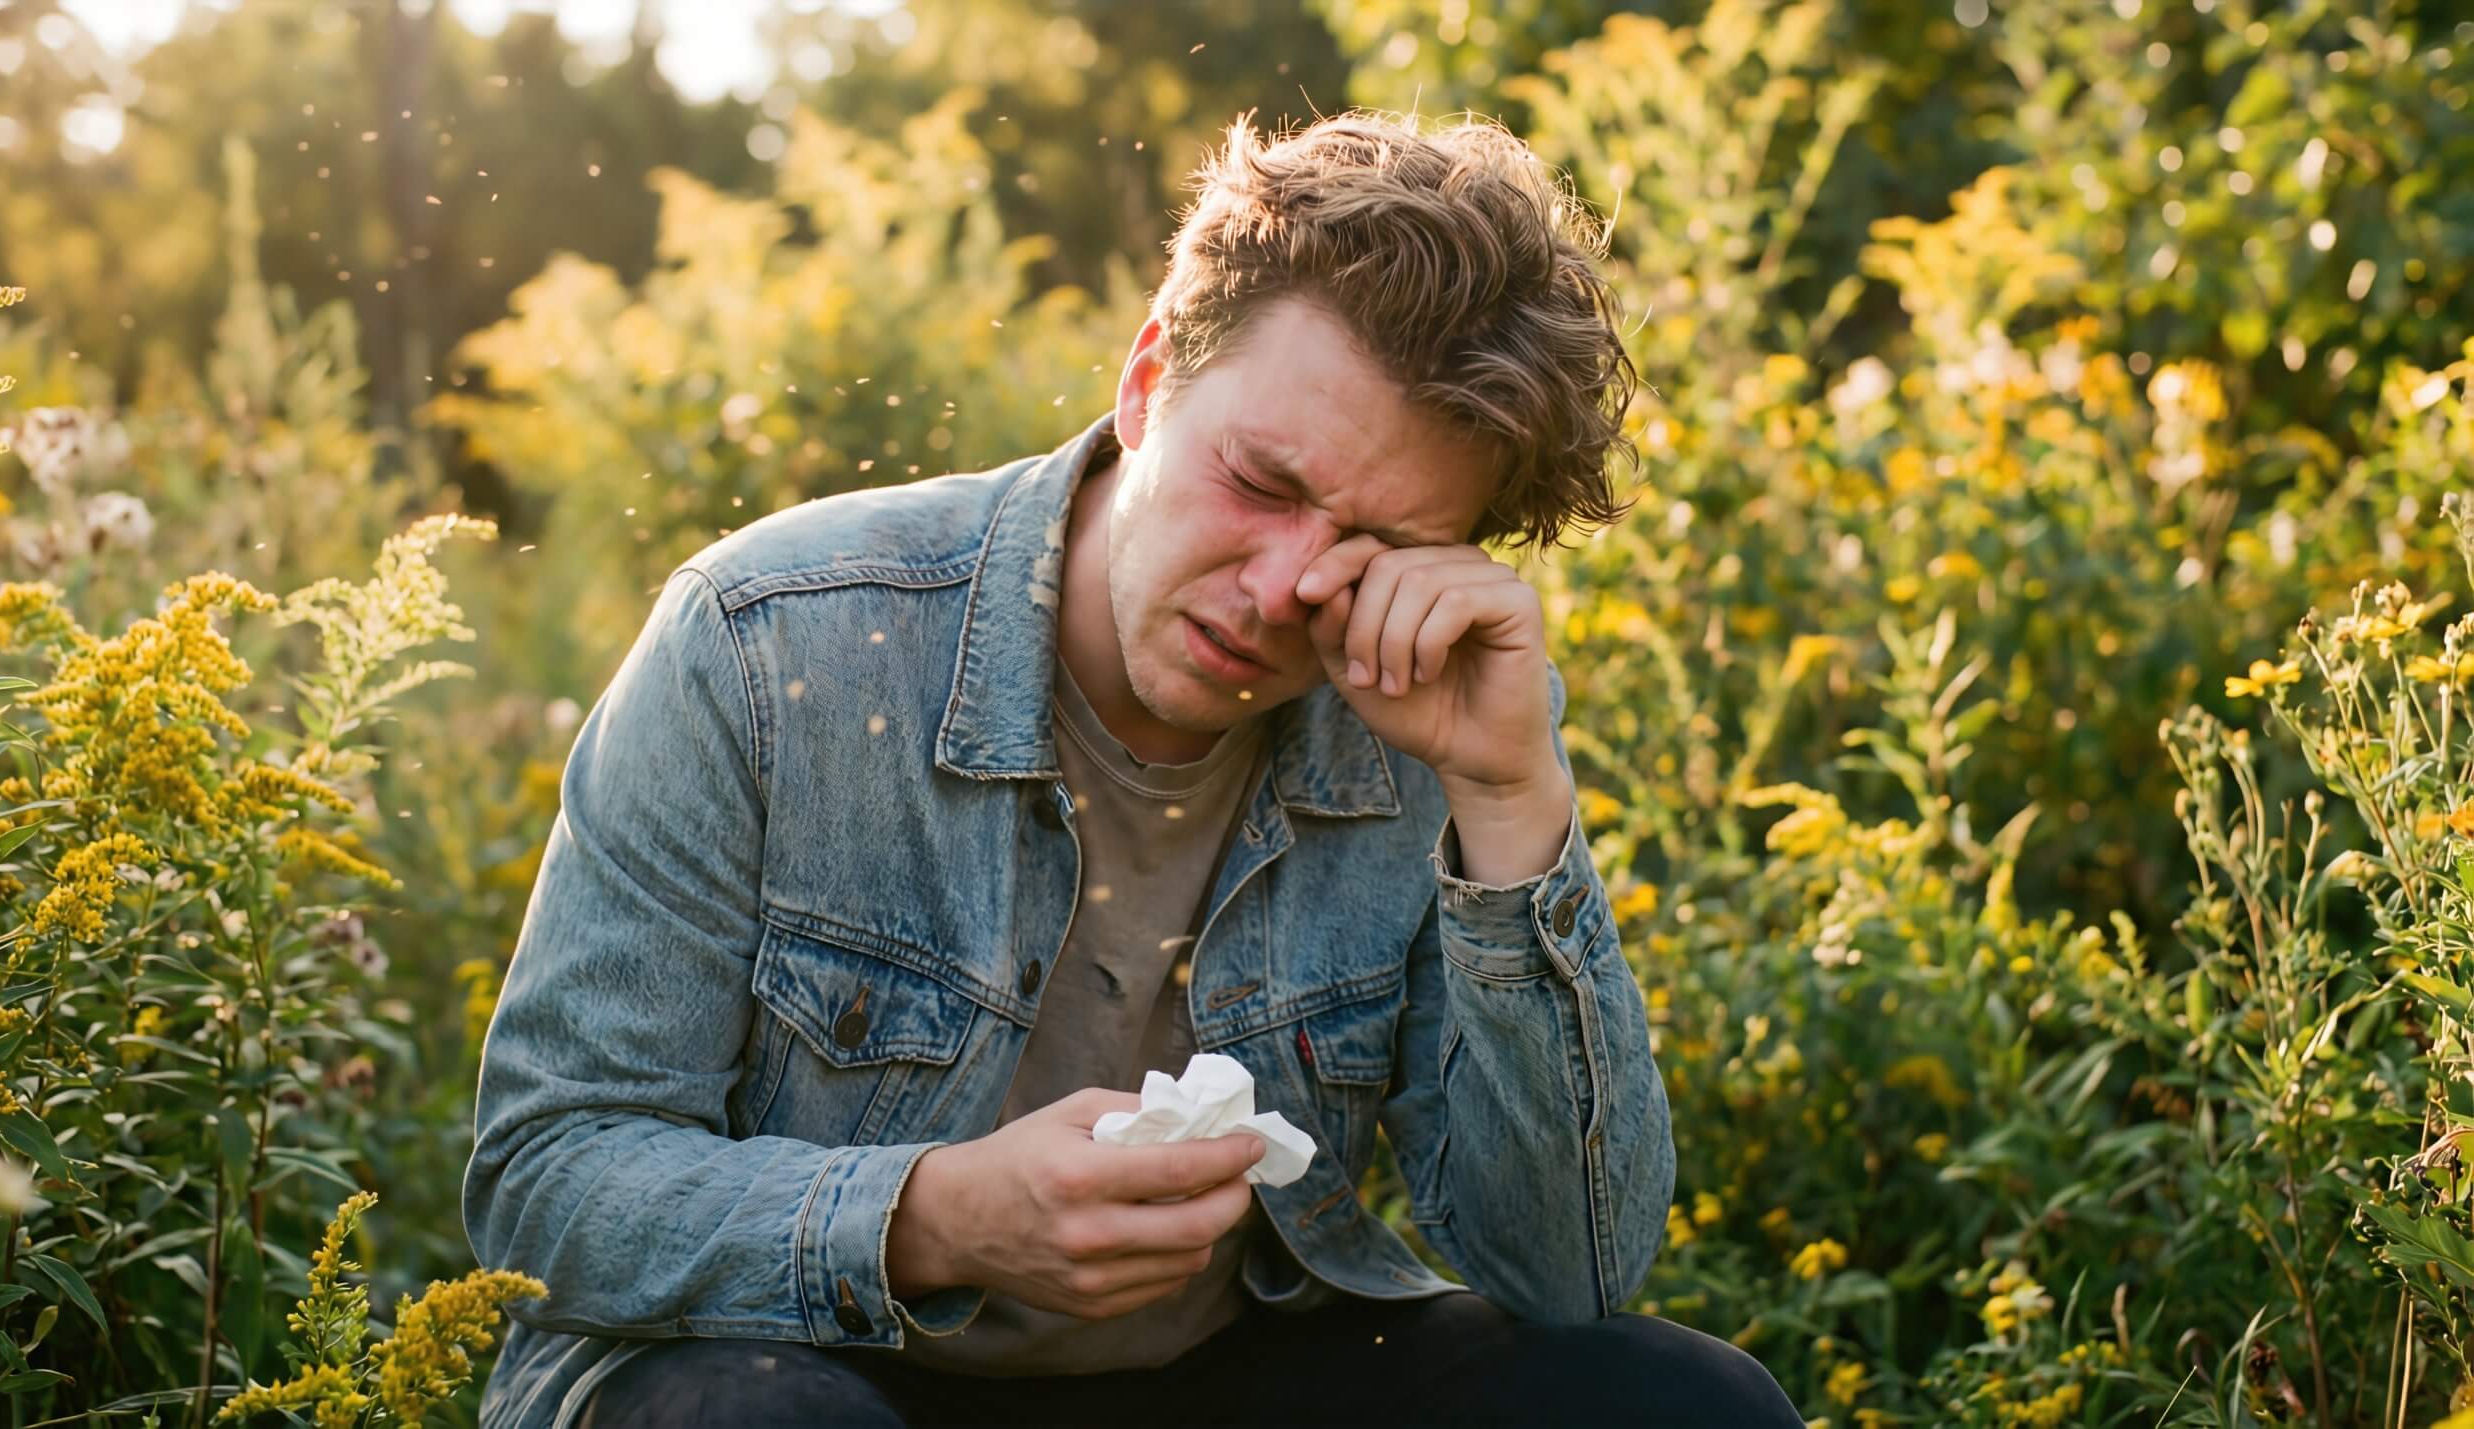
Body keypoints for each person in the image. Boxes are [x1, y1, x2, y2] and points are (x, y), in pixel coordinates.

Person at [463, 108, 1803, 1428]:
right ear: (1148, 376)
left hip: (1213, 1379)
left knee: (1683, 1403)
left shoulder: (1431, 706)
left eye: (1374, 543)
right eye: (1261, 483)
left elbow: (1569, 1273)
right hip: (795, 1362)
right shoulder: (768, 640)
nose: (1283, 590)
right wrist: (930, 1219)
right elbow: (548, 1174)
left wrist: (1511, 805)